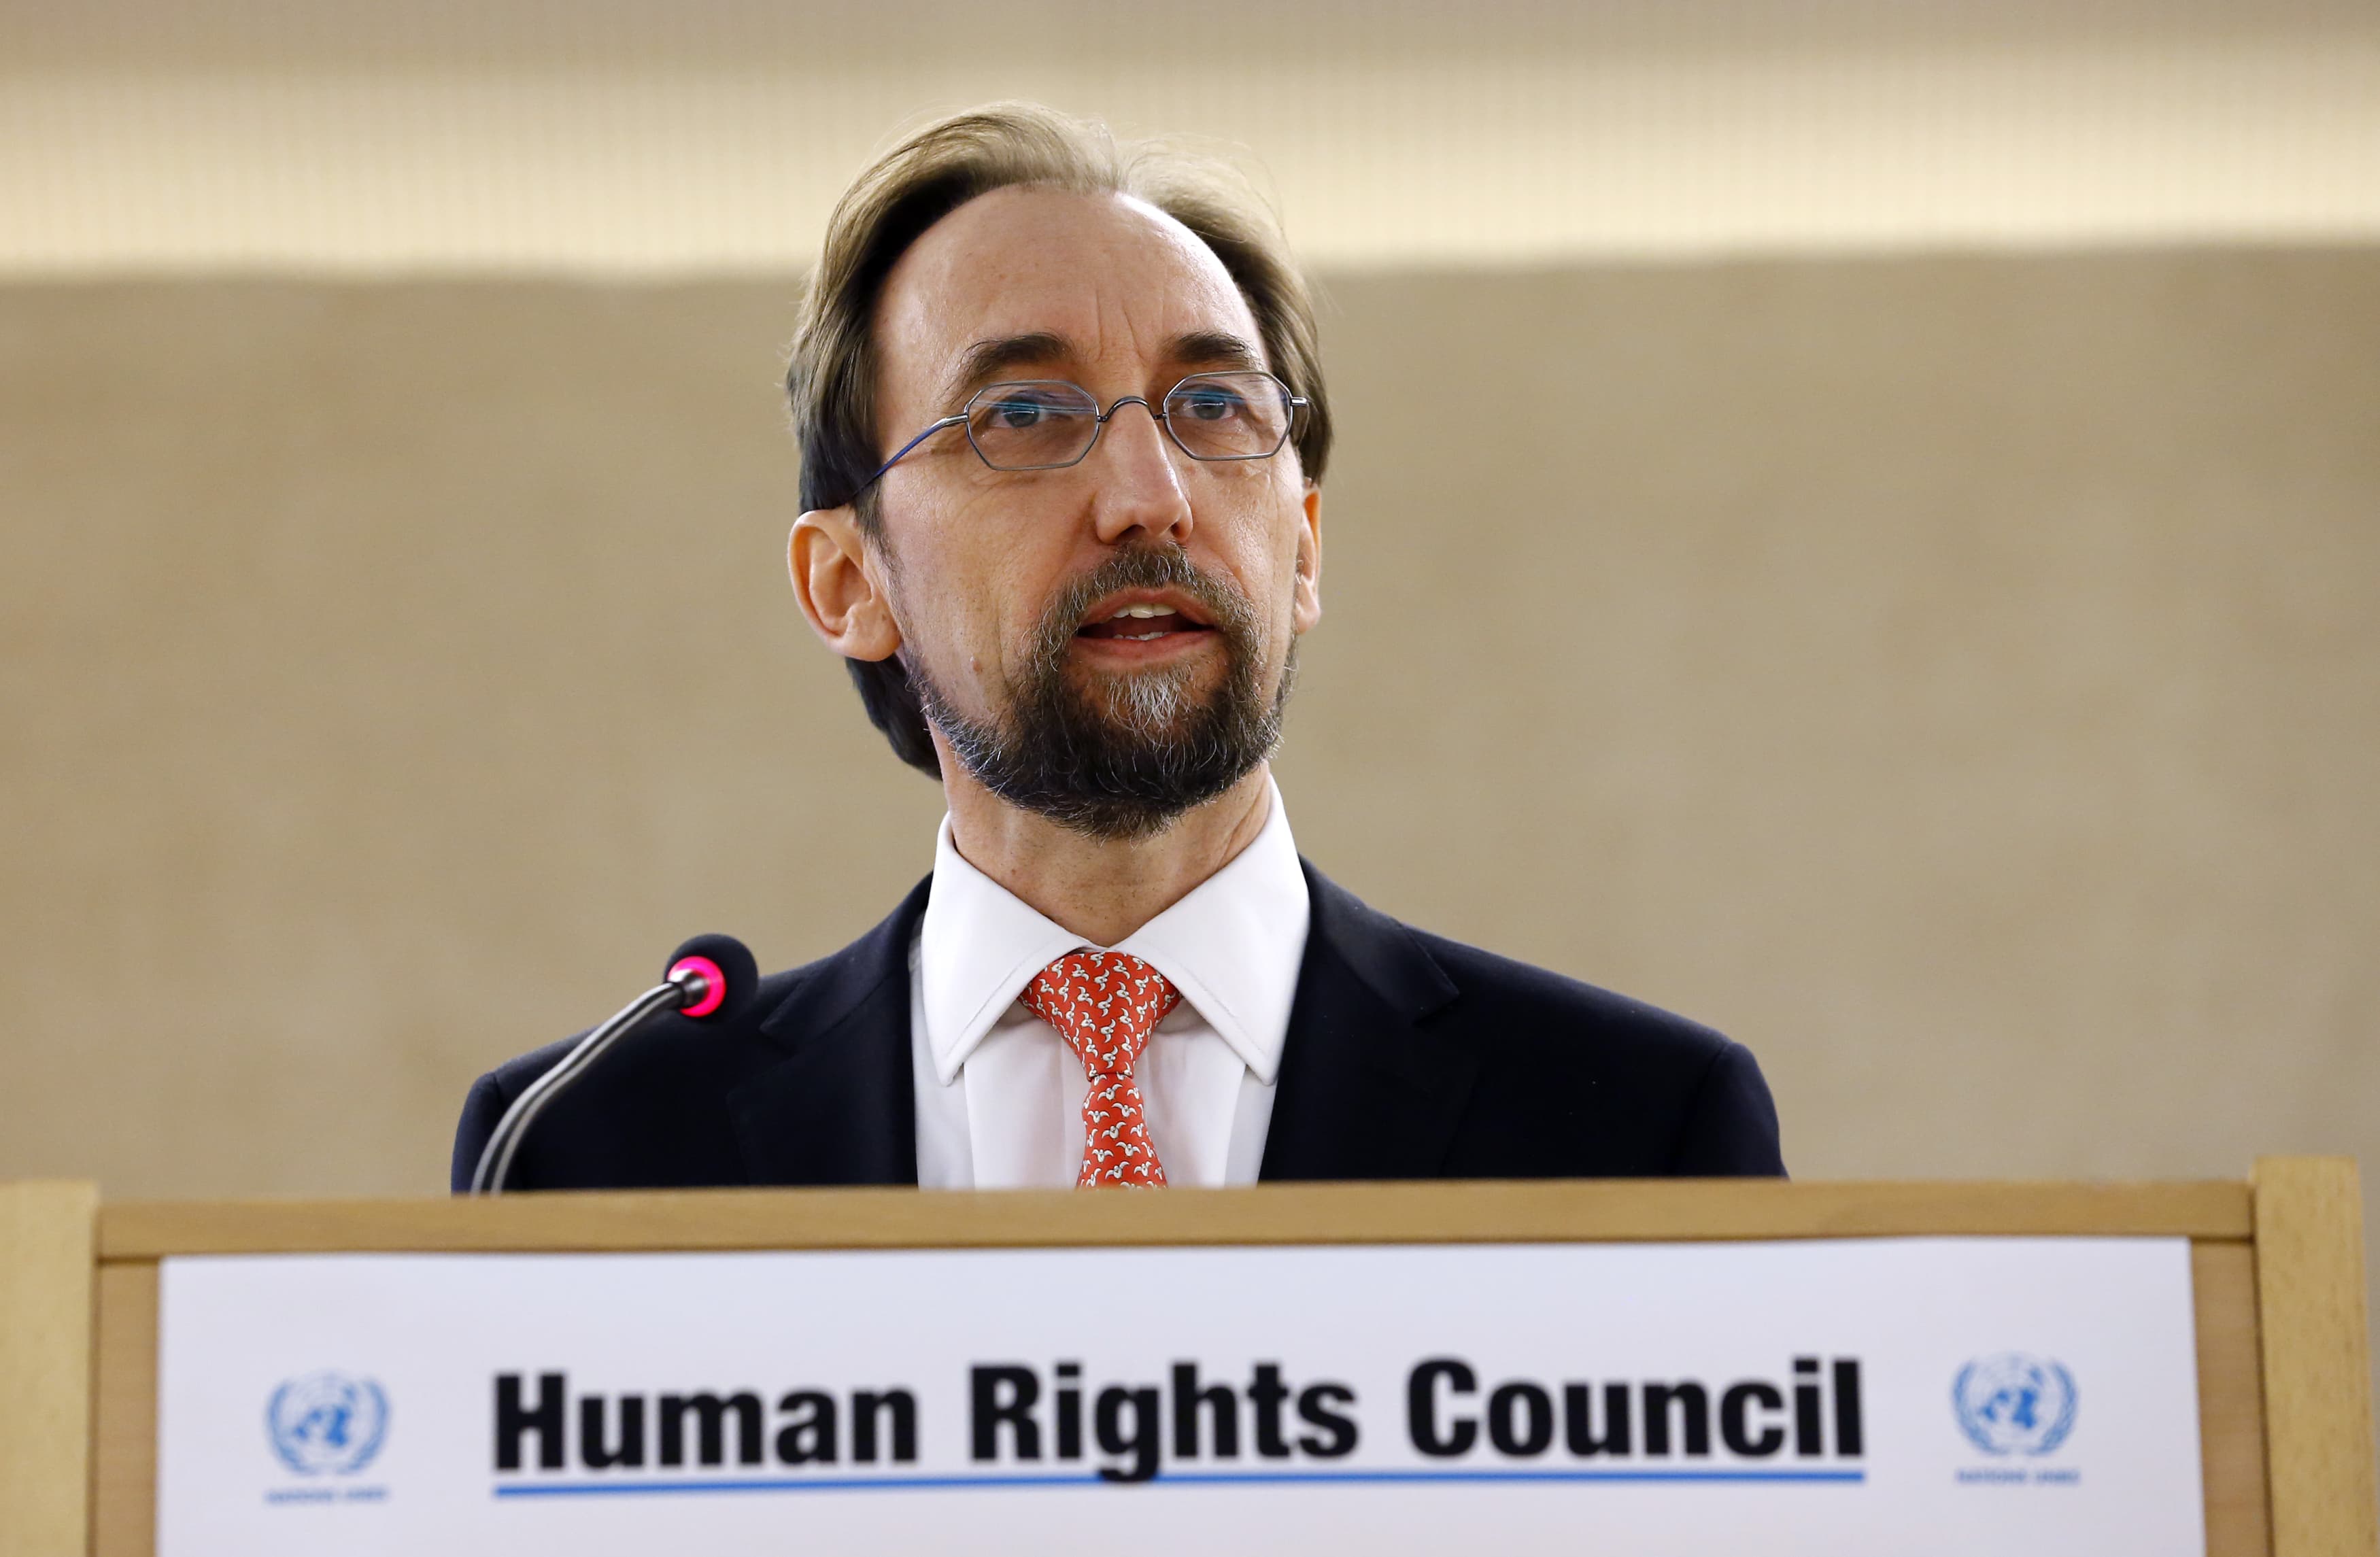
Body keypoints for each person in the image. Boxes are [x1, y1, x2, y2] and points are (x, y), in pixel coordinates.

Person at [451, 103, 1783, 1193]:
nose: (1151, 495)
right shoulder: (590, 1150)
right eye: (1023, 412)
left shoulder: (1634, 1133)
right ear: (851, 581)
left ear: (1304, 547)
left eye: (1212, 406)